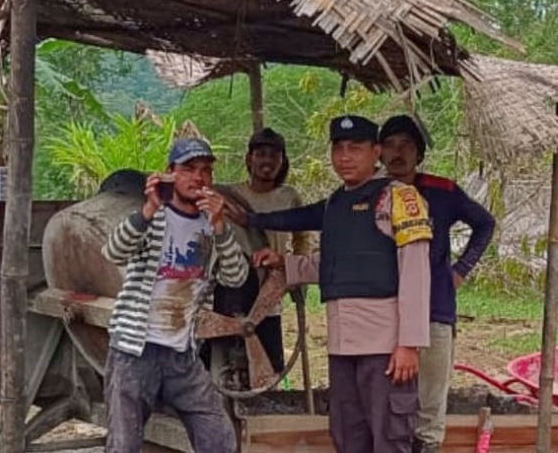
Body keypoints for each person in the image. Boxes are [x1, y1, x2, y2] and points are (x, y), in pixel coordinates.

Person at [234, 115, 433, 453]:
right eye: (338, 148)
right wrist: (284, 263)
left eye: (355, 148)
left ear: (376, 152)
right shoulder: (335, 203)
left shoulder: (399, 198)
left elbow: (416, 273)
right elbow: (332, 265)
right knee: (346, 433)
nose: (345, 156)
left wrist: (409, 344)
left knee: (389, 435)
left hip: (384, 346)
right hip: (342, 346)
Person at [101, 137, 249, 453]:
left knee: (218, 438)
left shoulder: (212, 227)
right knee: (124, 445)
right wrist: (148, 208)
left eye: (206, 171)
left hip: (182, 354)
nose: (198, 177)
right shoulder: (154, 219)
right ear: (170, 173)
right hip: (134, 351)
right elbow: (113, 251)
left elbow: (237, 278)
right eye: (189, 169)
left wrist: (221, 227)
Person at [379, 114, 496, 453]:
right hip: (383, 311)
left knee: (429, 405)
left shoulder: (442, 191)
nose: (398, 154)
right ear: (379, 152)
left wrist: (460, 270)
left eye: (407, 146)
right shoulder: (372, 193)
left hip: (435, 309)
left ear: (419, 154)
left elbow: (485, 224)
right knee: (386, 401)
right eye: (390, 146)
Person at [224, 127, 312, 373]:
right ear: (249, 158)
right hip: (231, 293)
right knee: (229, 361)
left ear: (282, 161)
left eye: (274, 155)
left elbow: (302, 236)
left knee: (271, 366)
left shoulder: (288, 197)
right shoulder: (231, 196)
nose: (267, 161)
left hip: (269, 295)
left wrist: (295, 268)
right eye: (261, 154)